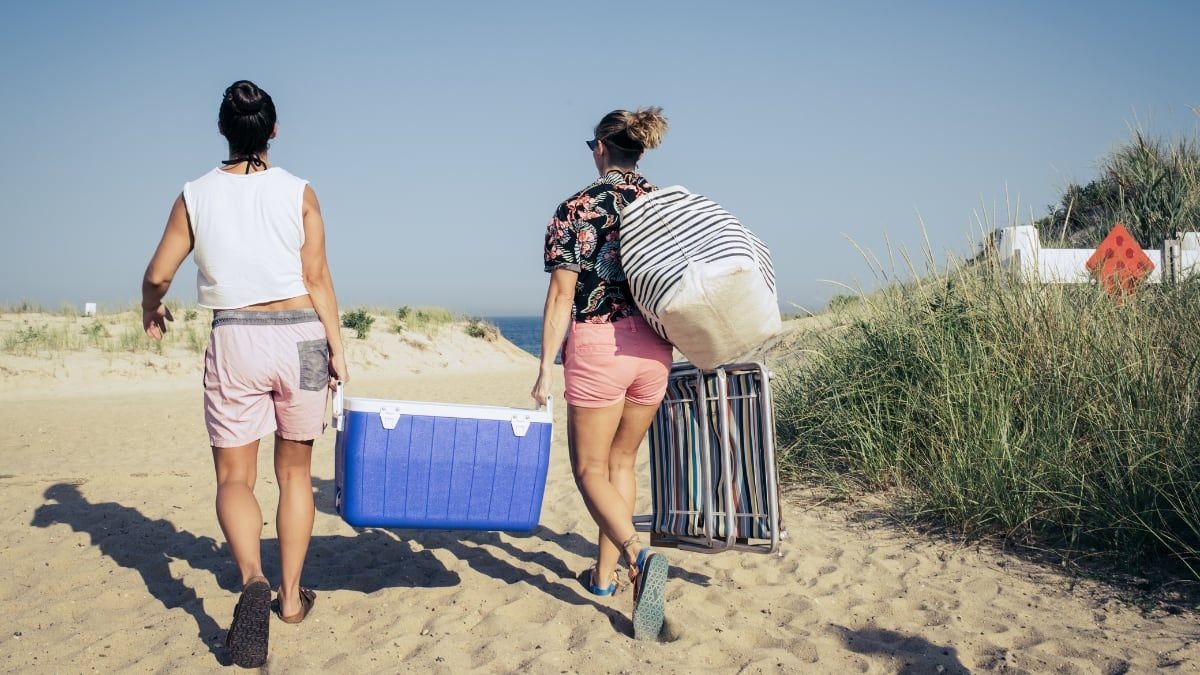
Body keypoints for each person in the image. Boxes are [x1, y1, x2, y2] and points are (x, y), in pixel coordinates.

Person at [140, 80, 347, 667]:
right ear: (274, 130)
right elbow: (318, 277)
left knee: (235, 477)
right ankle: (290, 600)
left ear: (221, 130)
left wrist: (151, 305)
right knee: (296, 474)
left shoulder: (195, 195)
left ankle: (253, 578)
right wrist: (337, 348)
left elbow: (158, 274)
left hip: (235, 337)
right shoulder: (299, 191)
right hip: (303, 335)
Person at [531, 107, 673, 640]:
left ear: (601, 148)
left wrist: (544, 367)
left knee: (590, 469)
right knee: (622, 464)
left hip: (599, 344)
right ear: (639, 149)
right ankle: (602, 577)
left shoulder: (577, 207)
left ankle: (638, 557)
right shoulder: (661, 205)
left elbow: (561, 295)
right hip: (655, 349)